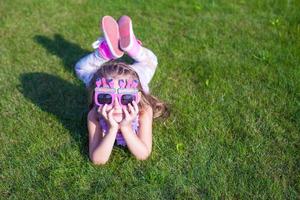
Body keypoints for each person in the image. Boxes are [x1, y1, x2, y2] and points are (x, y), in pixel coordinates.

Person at [75, 15, 168, 165]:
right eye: (105, 98)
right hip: (119, 79)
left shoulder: (143, 110)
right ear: (95, 97)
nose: (116, 106)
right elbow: (98, 159)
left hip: (135, 79)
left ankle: (129, 48)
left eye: (125, 98)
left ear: (137, 97)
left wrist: (125, 127)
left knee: (81, 68)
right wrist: (112, 129)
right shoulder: (95, 114)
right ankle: (109, 51)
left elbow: (143, 154)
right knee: (81, 69)